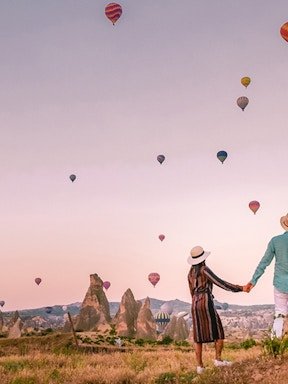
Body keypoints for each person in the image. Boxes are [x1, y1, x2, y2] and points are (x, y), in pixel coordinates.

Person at [187, 245, 247, 374]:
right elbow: (221, 283)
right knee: (218, 331)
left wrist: (195, 303)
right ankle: (218, 360)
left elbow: (191, 291)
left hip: (194, 303)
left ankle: (200, 367)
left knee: (198, 335)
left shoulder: (190, 273)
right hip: (205, 301)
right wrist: (240, 288)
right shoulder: (204, 270)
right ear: (203, 258)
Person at [245, 213, 288, 338]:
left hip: (280, 284)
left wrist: (253, 281)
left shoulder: (275, 241)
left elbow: (264, 263)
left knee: (279, 315)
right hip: (280, 283)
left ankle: (274, 345)